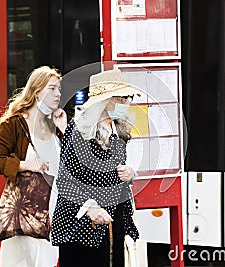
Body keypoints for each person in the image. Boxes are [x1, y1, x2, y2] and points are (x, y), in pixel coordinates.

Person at [51, 69, 140, 267]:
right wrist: (90, 207)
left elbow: (117, 170)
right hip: (82, 222)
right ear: (107, 101)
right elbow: (65, 179)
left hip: (113, 218)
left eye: (129, 97)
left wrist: (130, 174)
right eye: (124, 98)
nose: (128, 102)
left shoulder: (119, 129)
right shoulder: (80, 129)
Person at [0, 66, 67, 267]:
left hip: (53, 210)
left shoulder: (54, 125)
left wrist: (64, 130)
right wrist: (24, 165)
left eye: (59, 89)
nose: (58, 94)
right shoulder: (13, 124)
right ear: (37, 91)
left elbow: (70, 165)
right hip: (27, 210)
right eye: (52, 88)